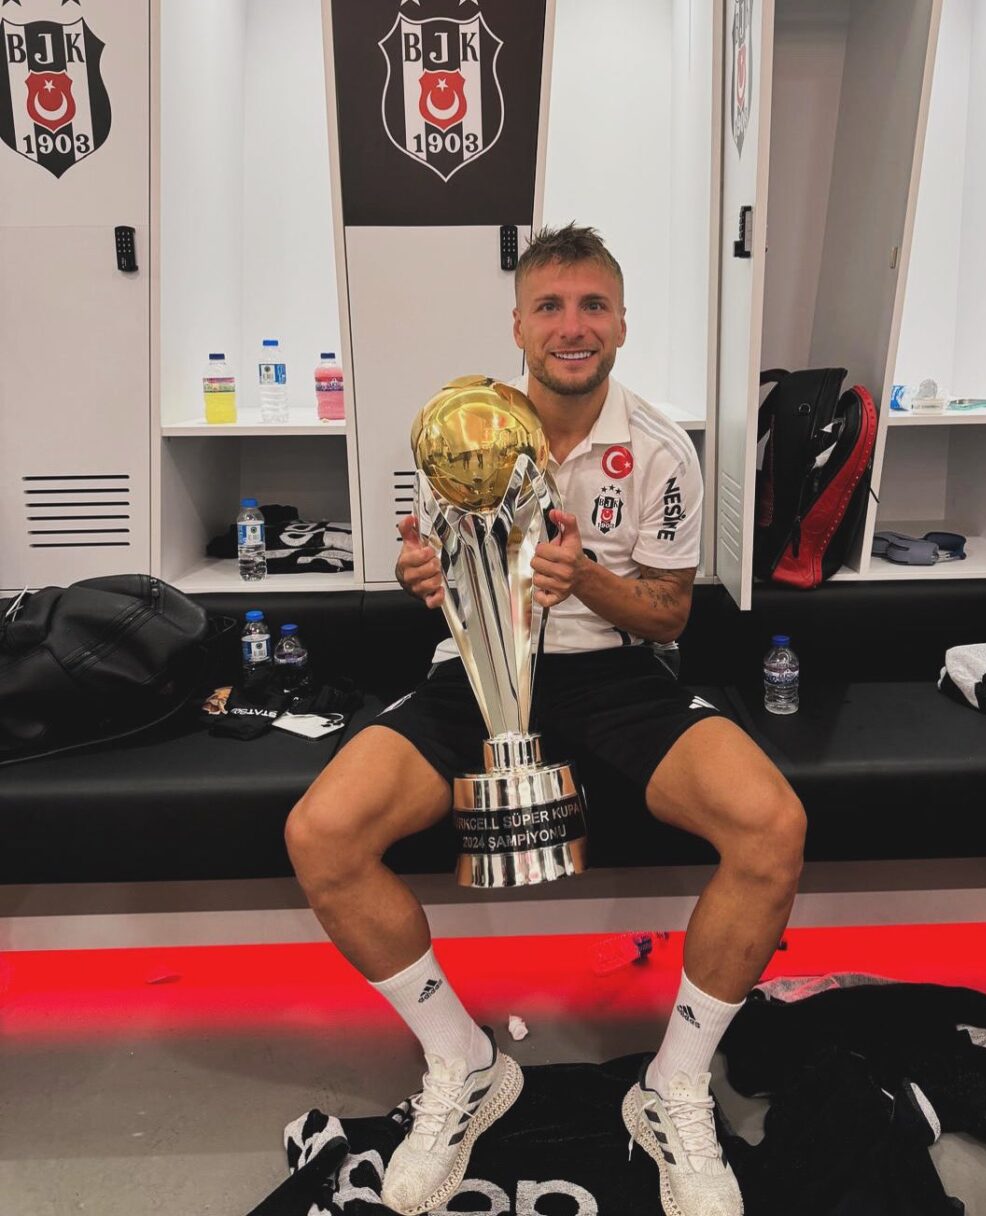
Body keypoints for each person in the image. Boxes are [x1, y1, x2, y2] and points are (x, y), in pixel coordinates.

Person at [285, 224, 806, 1216]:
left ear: (622, 323)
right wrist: (422, 577)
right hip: (475, 674)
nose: (573, 327)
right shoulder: (458, 430)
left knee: (772, 825)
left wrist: (587, 582)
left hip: (614, 675)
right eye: (551, 307)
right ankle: (464, 1062)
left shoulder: (661, 449)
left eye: (593, 306)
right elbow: (441, 575)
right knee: (321, 832)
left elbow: (670, 616)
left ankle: (673, 1086)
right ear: (518, 324)